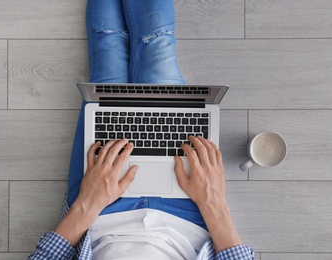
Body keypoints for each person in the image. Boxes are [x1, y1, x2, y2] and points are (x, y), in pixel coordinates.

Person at [29, 0, 254, 259]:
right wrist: (213, 202)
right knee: (158, 44)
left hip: (97, 215)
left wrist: (88, 202)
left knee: (107, 50)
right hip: (190, 213)